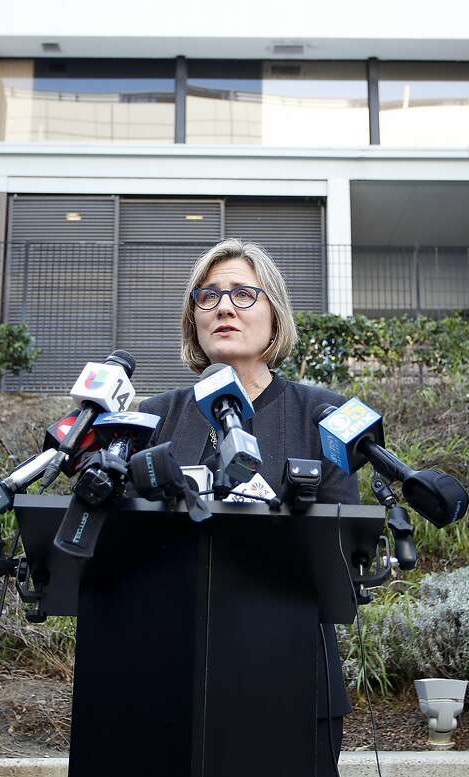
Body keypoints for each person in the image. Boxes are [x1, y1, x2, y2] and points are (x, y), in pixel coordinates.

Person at [72, 238, 356, 775]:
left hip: (288, 682)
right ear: (193, 318)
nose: (224, 307)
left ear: (275, 315)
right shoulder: (145, 421)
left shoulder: (323, 415)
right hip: (152, 687)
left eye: (244, 294)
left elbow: (342, 545)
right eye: (209, 296)